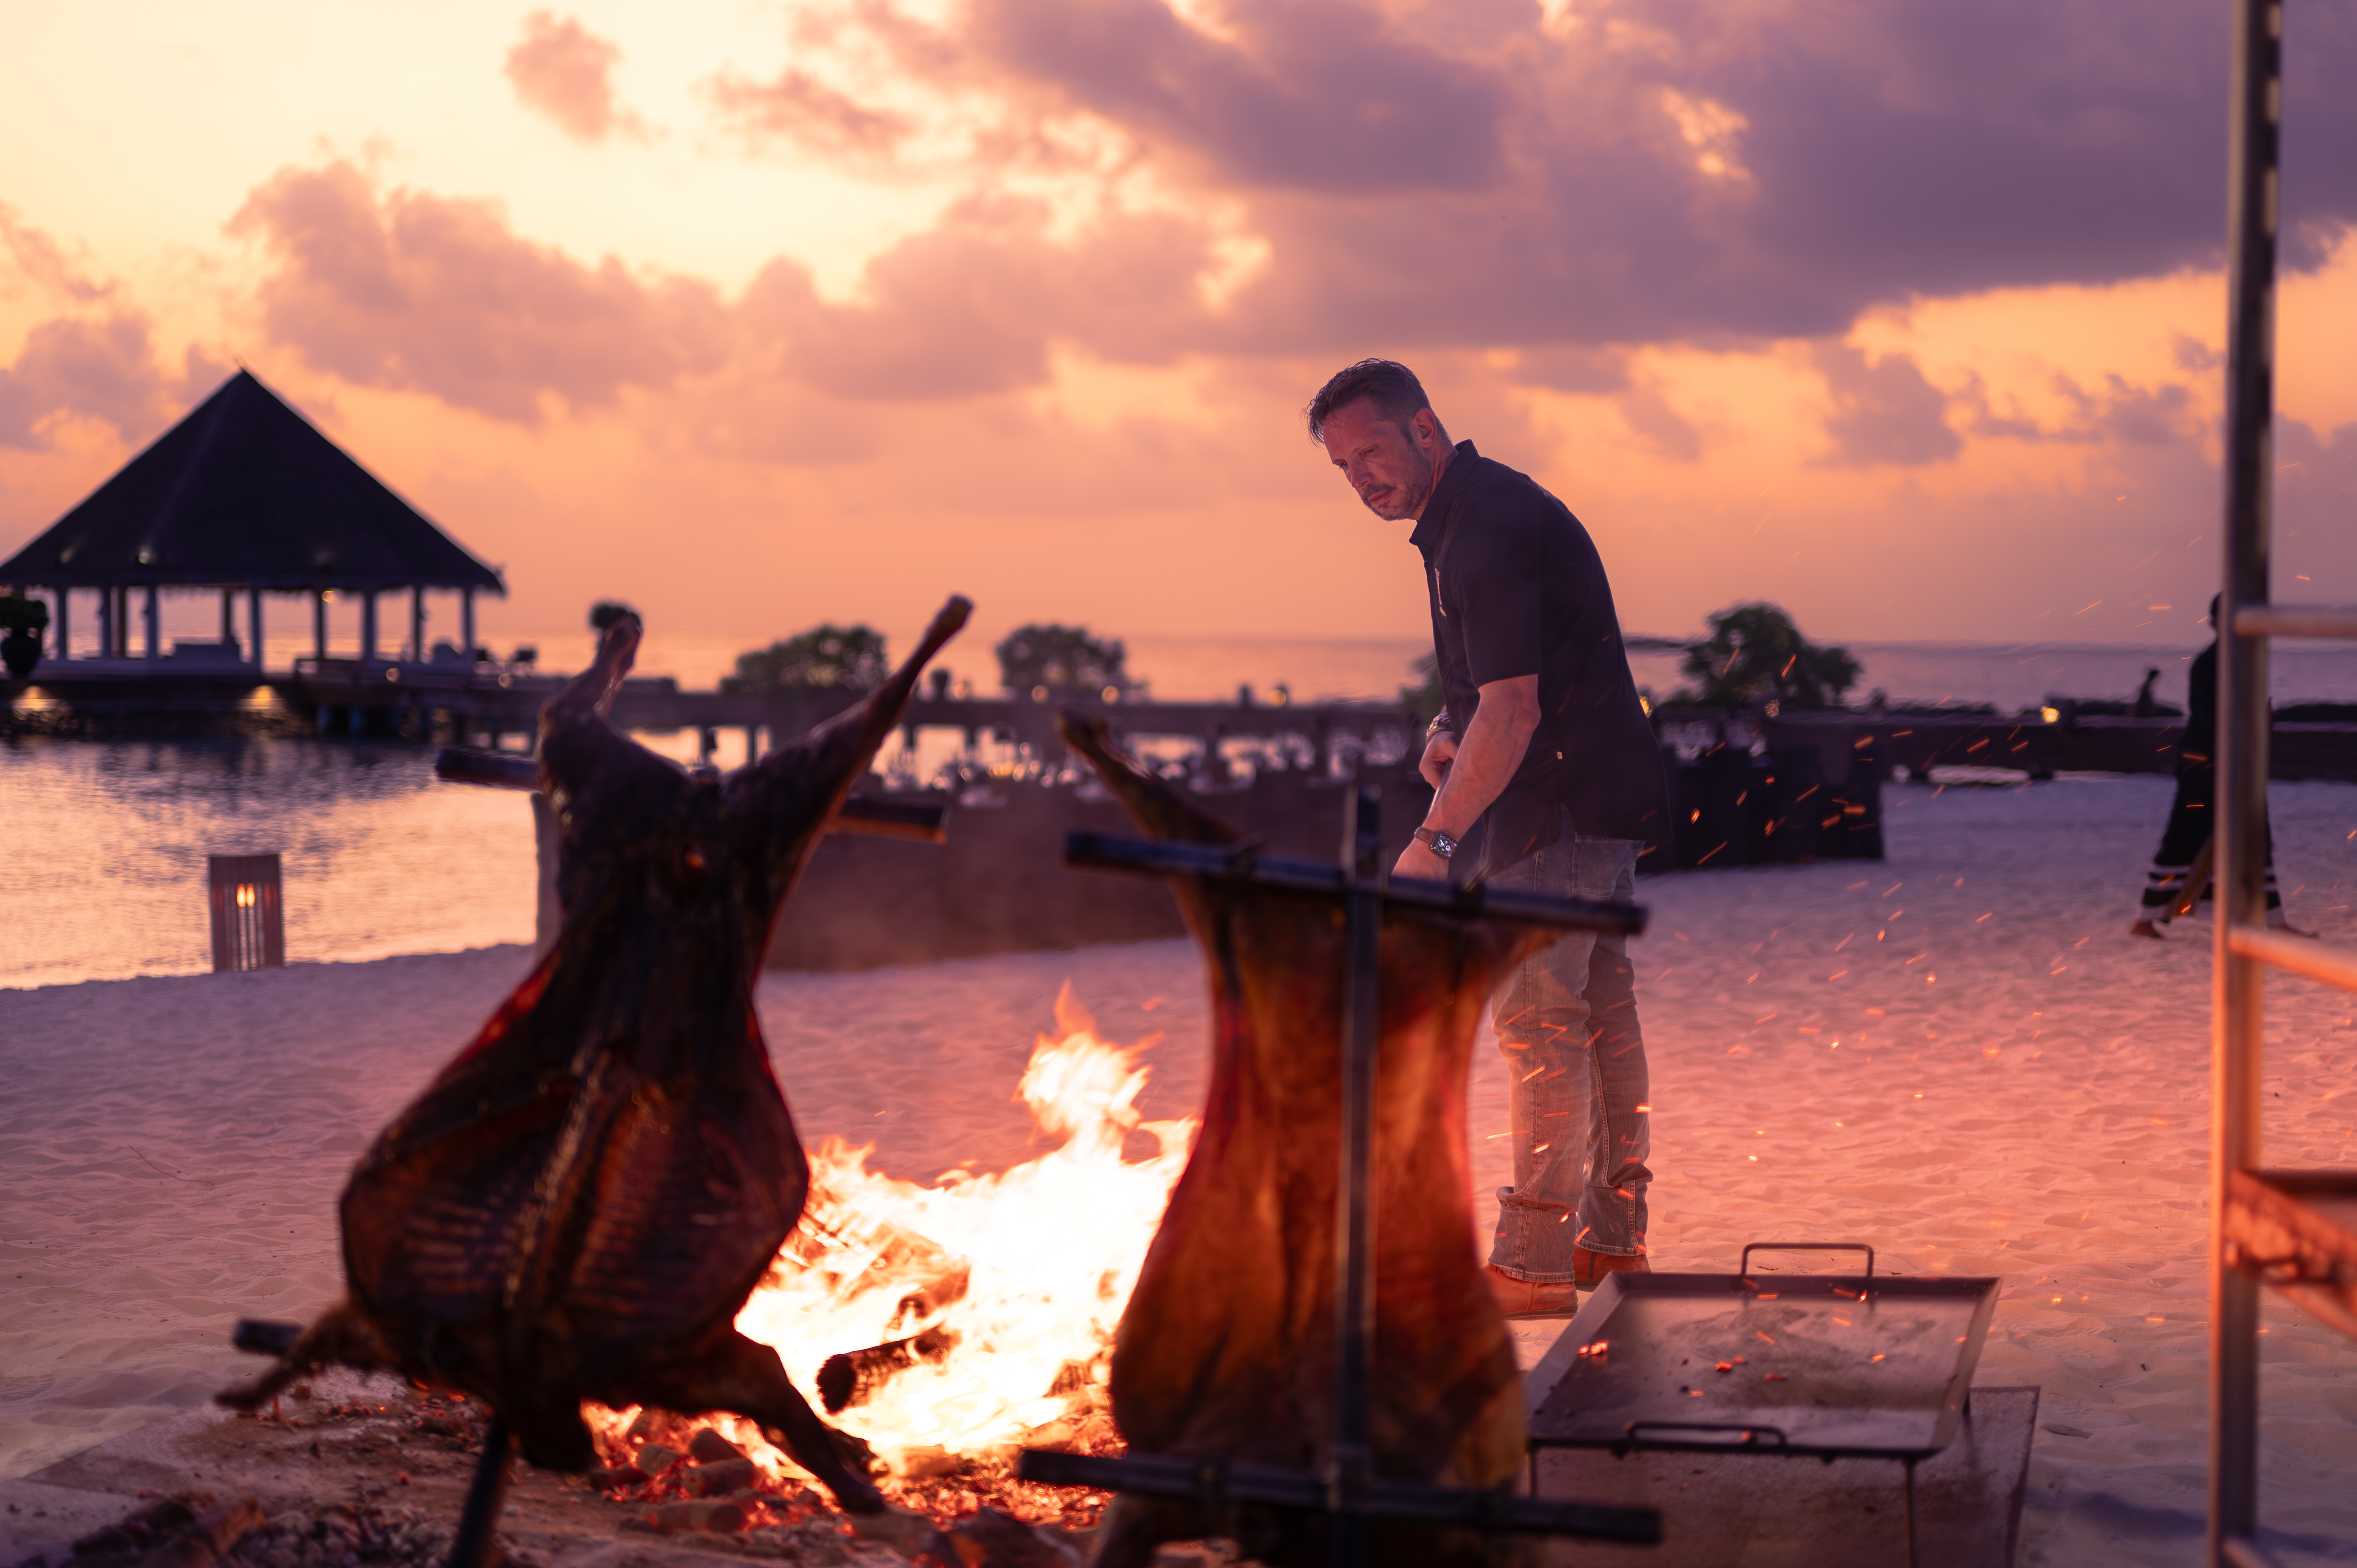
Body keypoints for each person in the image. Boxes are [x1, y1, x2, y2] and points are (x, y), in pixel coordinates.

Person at [1307, 359, 1669, 1318]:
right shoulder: (1477, 514)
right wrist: (1446, 725)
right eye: (1343, 468)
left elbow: (1512, 710)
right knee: (1598, 1018)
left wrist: (1433, 840)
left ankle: (1534, 1261)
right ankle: (1609, 1246)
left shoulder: (1482, 529)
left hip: (1550, 806)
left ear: (1424, 427)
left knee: (1540, 1027)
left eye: (1371, 452)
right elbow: (1496, 681)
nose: (1361, 480)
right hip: (1595, 796)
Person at [2130, 599, 2306, 938]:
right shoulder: (2212, 662)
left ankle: (2272, 920)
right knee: (2188, 833)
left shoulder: (2240, 659)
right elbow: (2212, 717)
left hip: (2224, 758)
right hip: (2206, 760)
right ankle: (2145, 917)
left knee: (2251, 835)